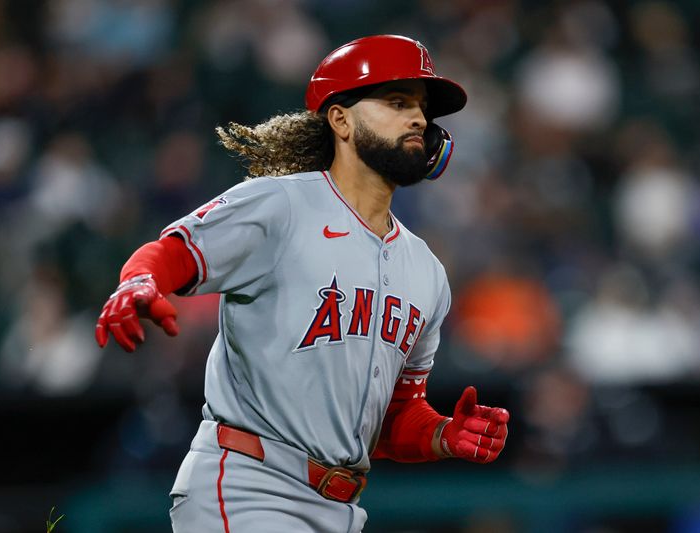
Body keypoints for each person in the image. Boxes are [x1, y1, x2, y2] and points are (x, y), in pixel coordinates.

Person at [95, 35, 509, 533]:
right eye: (398, 102)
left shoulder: (427, 272)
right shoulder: (282, 205)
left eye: (421, 108)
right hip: (250, 484)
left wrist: (442, 434)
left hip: (341, 509)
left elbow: (394, 416)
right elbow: (173, 252)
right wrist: (139, 281)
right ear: (341, 120)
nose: (419, 118)